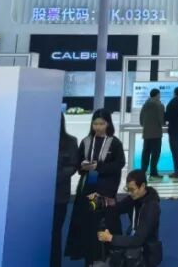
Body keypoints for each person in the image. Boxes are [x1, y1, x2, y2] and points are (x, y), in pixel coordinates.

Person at [66, 110, 125, 265]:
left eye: (101, 124)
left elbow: (119, 164)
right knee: (87, 227)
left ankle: (104, 260)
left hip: (104, 193)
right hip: (86, 191)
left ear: (108, 124)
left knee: (102, 226)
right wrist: (83, 166)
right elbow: (78, 163)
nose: (98, 127)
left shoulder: (114, 143)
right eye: (95, 124)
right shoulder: (86, 141)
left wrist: (99, 167)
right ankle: (89, 260)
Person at [95, 170, 162, 267]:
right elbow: (117, 207)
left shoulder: (151, 208)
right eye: (128, 189)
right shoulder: (134, 198)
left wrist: (111, 238)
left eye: (132, 189)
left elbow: (138, 240)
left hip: (145, 251)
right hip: (133, 243)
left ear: (142, 186)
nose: (130, 193)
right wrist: (100, 201)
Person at [52, 115, 79, 267]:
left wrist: (55, 177)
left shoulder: (71, 141)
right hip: (38, 198)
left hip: (59, 197)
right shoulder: (39, 140)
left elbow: (74, 166)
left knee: (55, 235)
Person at [139, 88, 165, 179]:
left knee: (145, 153)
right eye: (159, 95)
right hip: (156, 133)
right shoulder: (159, 105)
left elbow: (141, 119)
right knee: (155, 153)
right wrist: (163, 123)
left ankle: (143, 172)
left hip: (146, 133)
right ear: (157, 95)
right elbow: (161, 120)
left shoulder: (145, 104)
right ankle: (153, 172)